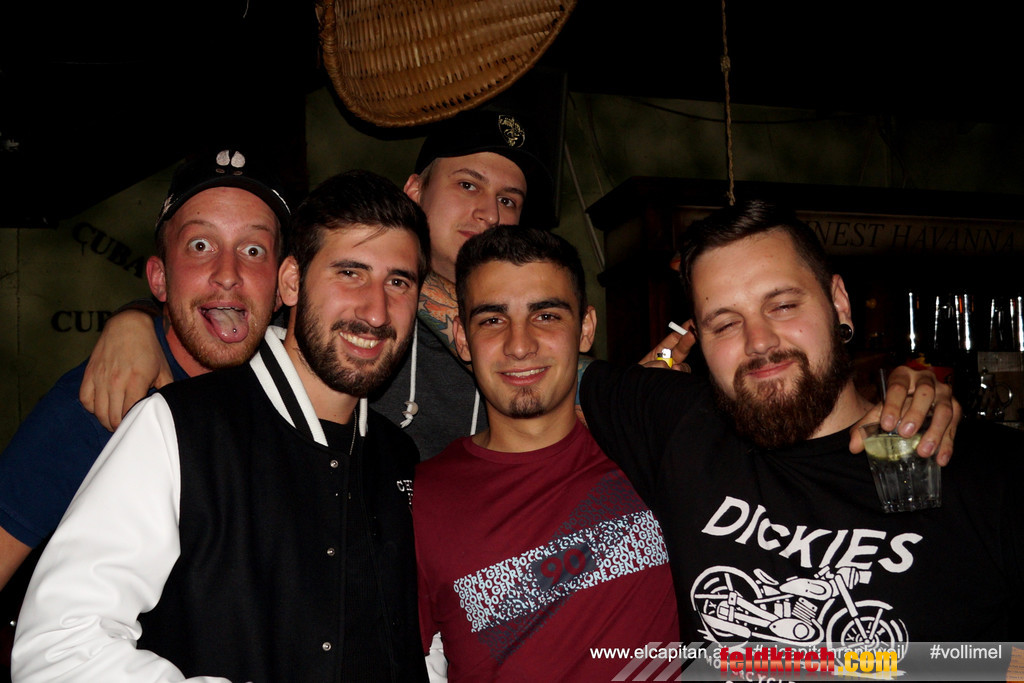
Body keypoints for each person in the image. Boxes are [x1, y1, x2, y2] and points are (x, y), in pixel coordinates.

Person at [12, 170, 431, 682]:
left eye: (398, 282)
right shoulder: (174, 426)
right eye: (350, 273)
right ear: (291, 282)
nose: (376, 311)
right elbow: (58, 648)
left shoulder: (399, 456)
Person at [579, 199, 1023, 647]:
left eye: (784, 306)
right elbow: (551, 367)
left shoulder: (985, 471)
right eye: (726, 324)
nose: (758, 341)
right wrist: (651, 371)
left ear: (839, 303)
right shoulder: (677, 420)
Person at [79, 109, 555, 460]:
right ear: (414, 191)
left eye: (509, 200)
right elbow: (226, 301)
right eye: (468, 185)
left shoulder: (536, 340)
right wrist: (140, 320)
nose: (489, 213)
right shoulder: (326, 310)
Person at [0, 148, 289, 593]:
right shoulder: (99, 404)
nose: (228, 273)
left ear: (283, 286)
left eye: (253, 249)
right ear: (159, 279)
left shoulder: (301, 399)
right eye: (200, 245)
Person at [414, 226, 678, 680]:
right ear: (462, 337)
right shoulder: (418, 500)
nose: (520, 345)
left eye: (547, 315)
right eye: (492, 320)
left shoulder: (654, 457)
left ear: (585, 328)